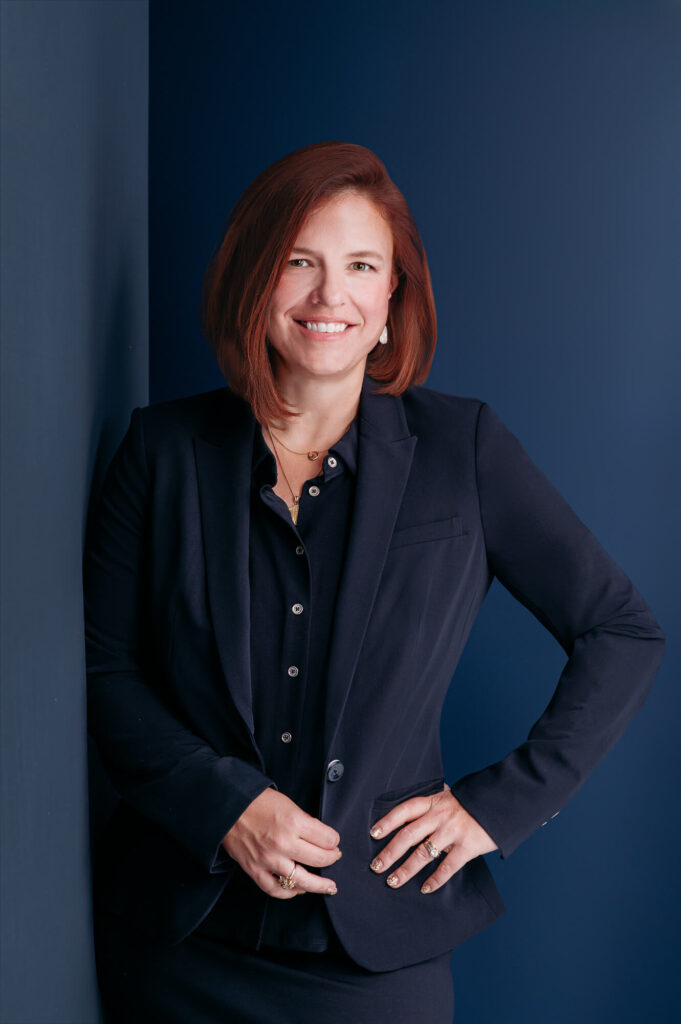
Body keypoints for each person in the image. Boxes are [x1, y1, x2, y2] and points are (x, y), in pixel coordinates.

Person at [84, 140, 666, 1023]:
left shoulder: (462, 451)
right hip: (174, 944)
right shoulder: (159, 453)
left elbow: (621, 631)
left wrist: (495, 808)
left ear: (392, 298)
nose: (330, 296)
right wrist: (224, 807)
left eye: (361, 266)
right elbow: (102, 669)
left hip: (373, 965)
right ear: (256, 281)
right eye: (299, 262)